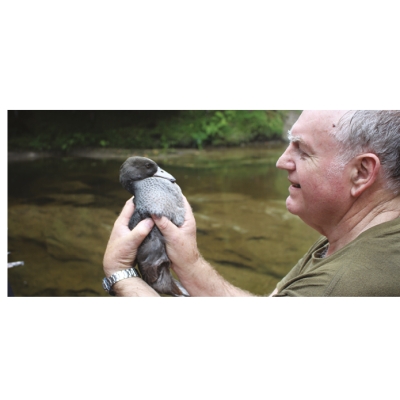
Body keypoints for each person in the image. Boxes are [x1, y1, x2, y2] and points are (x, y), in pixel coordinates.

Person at [103, 110, 400, 296]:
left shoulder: (337, 287)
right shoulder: (352, 234)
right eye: (288, 143)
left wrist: (121, 274)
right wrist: (189, 262)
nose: (281, 161)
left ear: (361, 172)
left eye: (302, 150)